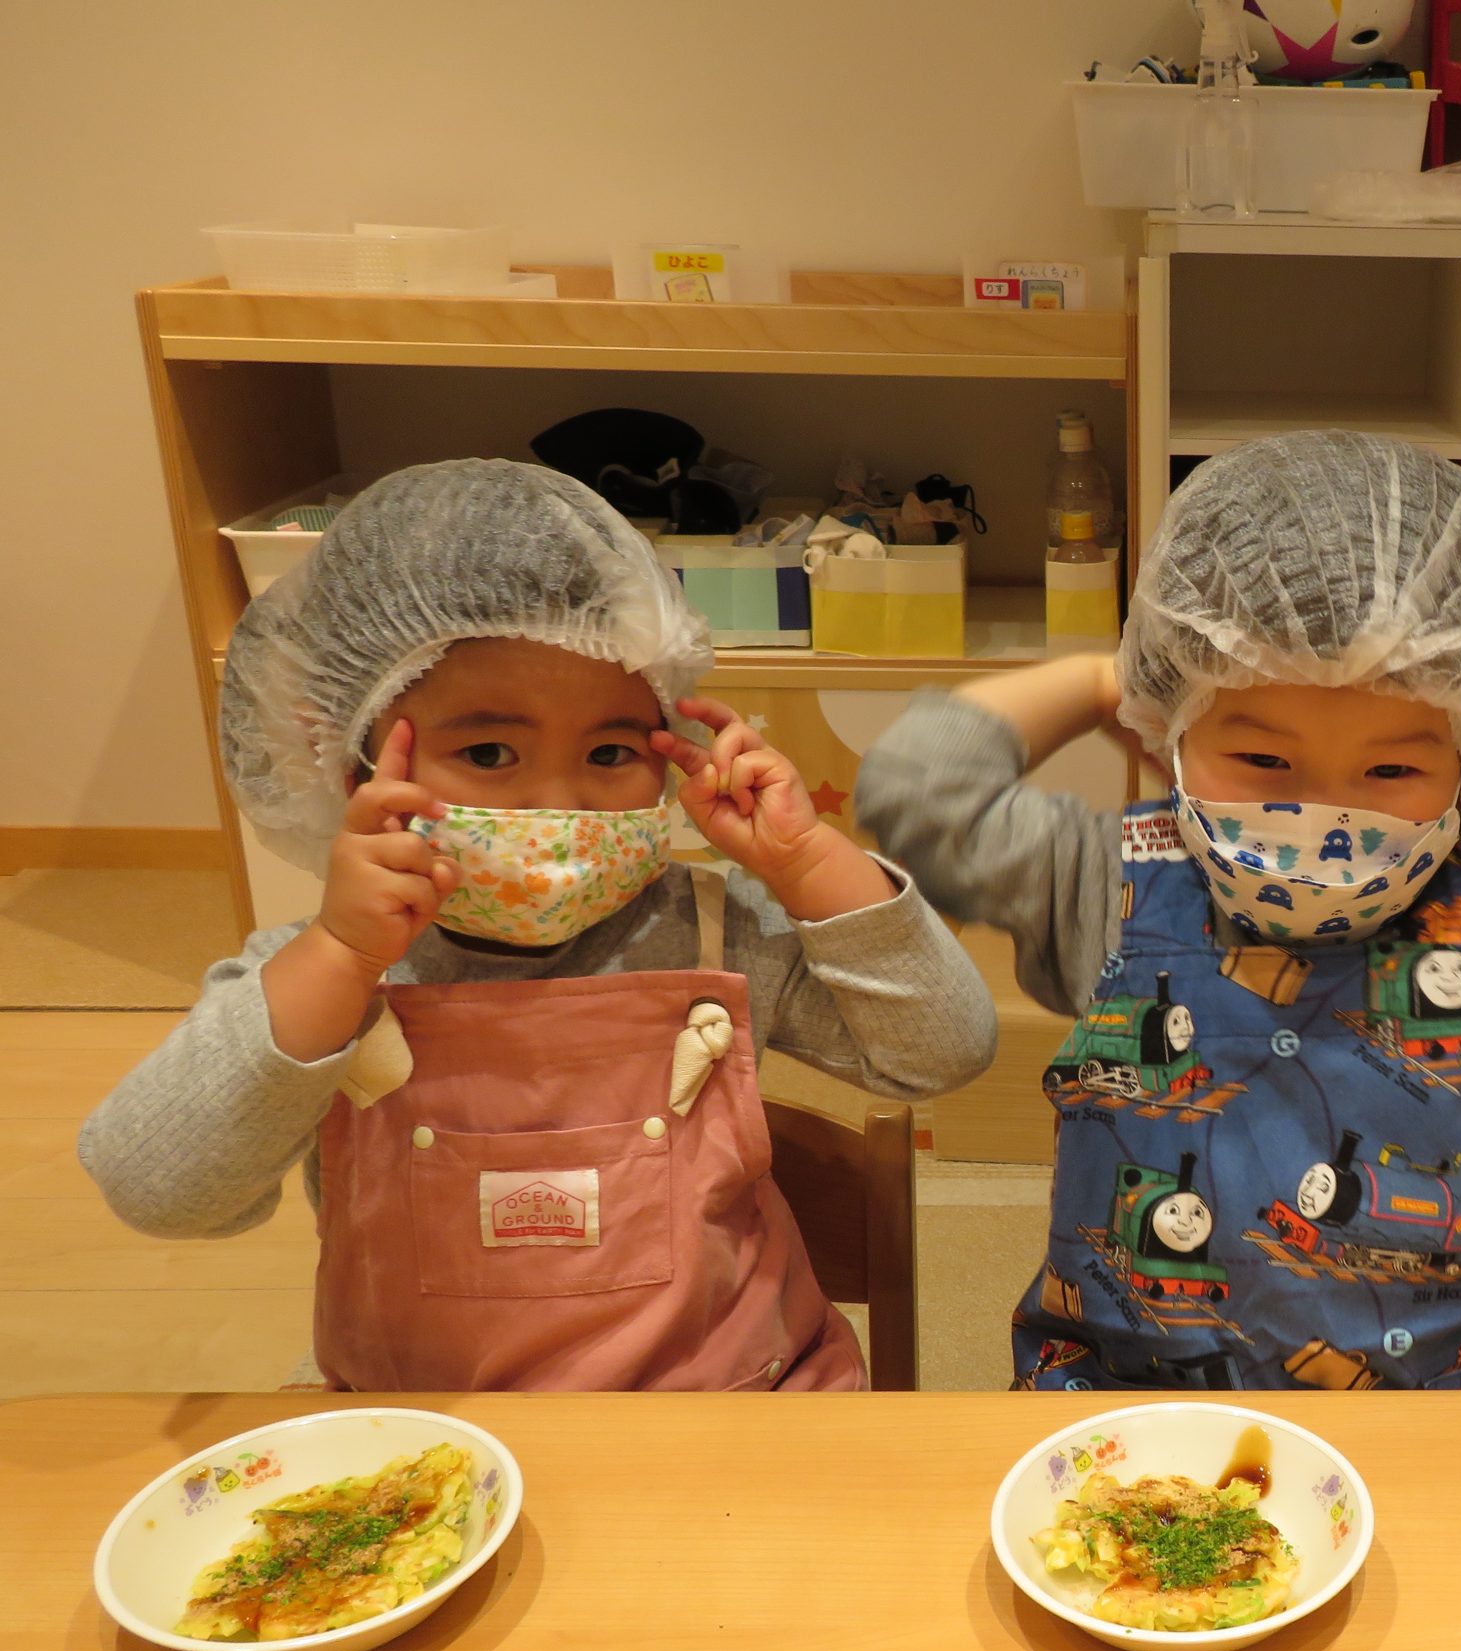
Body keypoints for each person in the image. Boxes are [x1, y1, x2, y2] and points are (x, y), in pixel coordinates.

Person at [859, 388, 1461, 1389]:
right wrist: (1111, 679)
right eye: (1263, 761)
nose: (1325, 812)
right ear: (1173, 731)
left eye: (1391, 770)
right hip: (1135, 1406)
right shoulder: (1110, 880)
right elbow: (916, 787)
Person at [81, 460, 996, 1389]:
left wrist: (808, 866)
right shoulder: (322, 976)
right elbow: (160, 1190)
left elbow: (942, 1053)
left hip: (734, 1407)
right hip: (433, 1437)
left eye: (610, 752)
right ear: (351, 762)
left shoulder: (717, 931)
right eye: (488, 752)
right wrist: (340, 956)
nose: (558, 802)